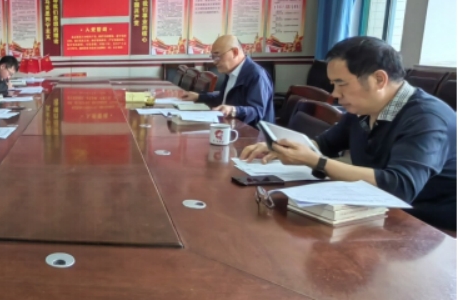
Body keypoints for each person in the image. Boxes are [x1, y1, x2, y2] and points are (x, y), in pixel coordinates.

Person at [241, 37, 457, 229]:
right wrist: (282, 146)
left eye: (341, 84)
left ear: (379, 80)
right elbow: (325, 143)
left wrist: (317, 162)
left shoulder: (427, 118)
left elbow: (400, 187)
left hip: (428, 226)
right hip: (378, 211)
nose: (335, 94)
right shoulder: (364, 108)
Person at [181, 35, 274, 125]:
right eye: (213, 57)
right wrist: (198, 97)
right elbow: (224, 98)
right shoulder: (231, 71)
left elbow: (257, 111)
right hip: (230, 125)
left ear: (235, 52)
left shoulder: (256, 75)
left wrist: (234, 110)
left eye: (218, 56)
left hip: (251, 132)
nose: (214, 62)